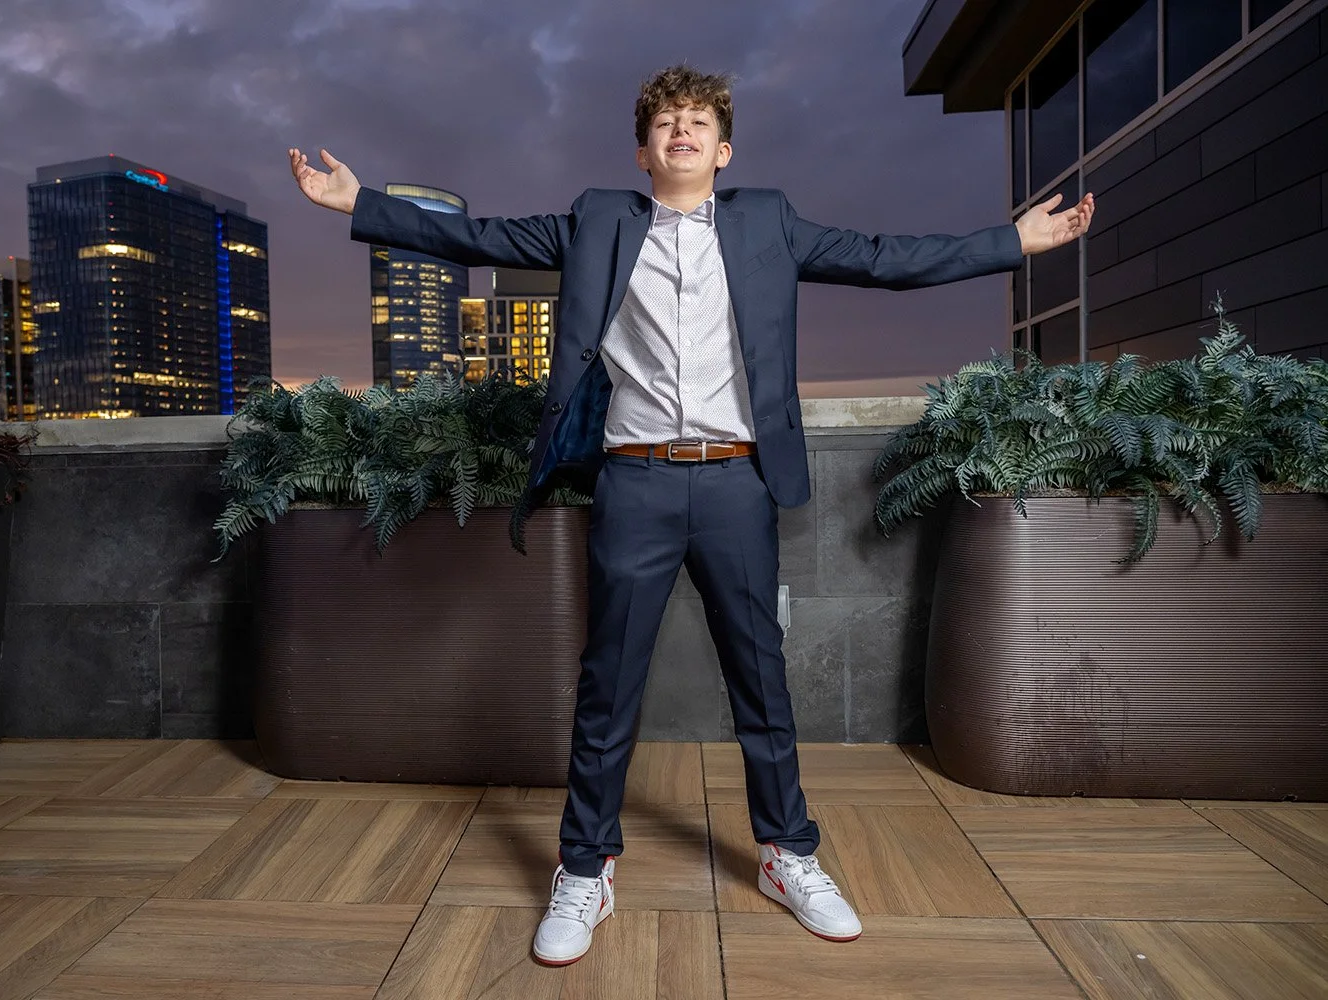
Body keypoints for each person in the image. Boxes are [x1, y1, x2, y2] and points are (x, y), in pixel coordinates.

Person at [289, 64, 1094, 967]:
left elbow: (884, 258)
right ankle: (585, 870)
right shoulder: (597, 220)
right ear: (643, 151)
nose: (682, 130)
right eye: (666, 121)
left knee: (761, 678)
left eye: (699, 120)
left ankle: (789, 855)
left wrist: (1013, 241)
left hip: (736, 484)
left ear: (724, 149)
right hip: (633, 483)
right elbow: (474, 235)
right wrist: (357, 201)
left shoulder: (767, 221)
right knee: (608, 685)